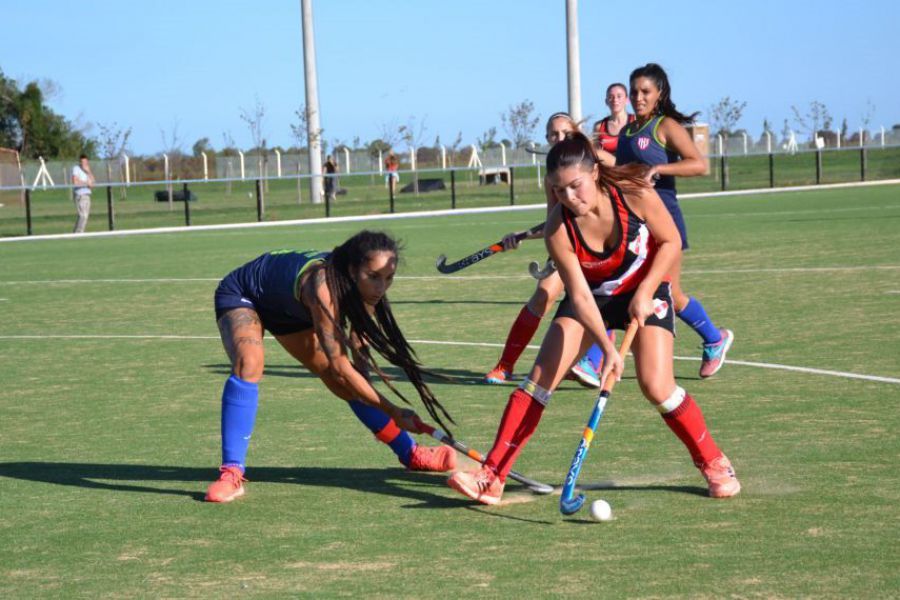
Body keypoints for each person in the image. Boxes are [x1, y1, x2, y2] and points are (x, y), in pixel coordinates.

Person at [448, 132, 741, 505]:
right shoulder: (558, 228)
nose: (569, 198)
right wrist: (607, 349)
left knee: (656, 386)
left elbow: (670, 242)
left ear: (595, 174)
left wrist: (646, 291)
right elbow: (581, 296)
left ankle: (714, 462)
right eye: (559, 190)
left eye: (576, 186)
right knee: (538, 379)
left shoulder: (635, 195)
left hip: (644, 290)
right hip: (593, 298)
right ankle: (493, 474)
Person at [205, 230, 457, 503]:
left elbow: (357, 347)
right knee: (250, 364)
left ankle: (410, 453)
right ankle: (231, 472)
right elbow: (340, 365)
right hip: (246, 295)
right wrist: (393, 410)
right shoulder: (323, 289)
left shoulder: (368, 291)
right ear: (352, 269)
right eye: (373, 277)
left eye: (388, 278)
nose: (380, 287)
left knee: (345, 385)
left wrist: (365, 380)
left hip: (291, 311)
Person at [616, 63, 733, 378]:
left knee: (671, 293)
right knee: (624, 287)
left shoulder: (664, 126)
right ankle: (598, 356)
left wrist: (659, 170)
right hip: (636, 225)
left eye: (645, 92)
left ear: (659, 94)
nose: (638, 98)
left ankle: (714, 338)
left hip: (666, 224)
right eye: (634, 92)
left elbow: (699, 164)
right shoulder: (626, 132)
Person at [484, 112, 609, 389]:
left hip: (601, 245)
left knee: (608, 298)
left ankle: (594, 361)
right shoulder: (551, 178)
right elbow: (553, 221)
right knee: (542, 296)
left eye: (565, 132)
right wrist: (523, 235)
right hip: (568, 246)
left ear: (575, 132)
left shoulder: (592, 160)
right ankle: (505, 366)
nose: (559, 138)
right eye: (553, 134)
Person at [594, 82, 635, 154]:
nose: (615, 100)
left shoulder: (635, 121)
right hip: (608, 164)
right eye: (611, 97)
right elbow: (596, 155)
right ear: (606, 101)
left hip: (633, 164)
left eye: (619, 96)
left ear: (627, 100)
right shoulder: (599, 126)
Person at [71, 154, 94, 233]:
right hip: (80, 195)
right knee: (82, 215)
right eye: (82, 162)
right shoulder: (76, 169)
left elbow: (92, 183)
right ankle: (77, 233)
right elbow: (75, 182)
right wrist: (86, 183)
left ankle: (80, 232)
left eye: (85, 162)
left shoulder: (88, 170)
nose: (83, 163)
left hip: (87, 195)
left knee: (85, 216)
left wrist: (88, 172)